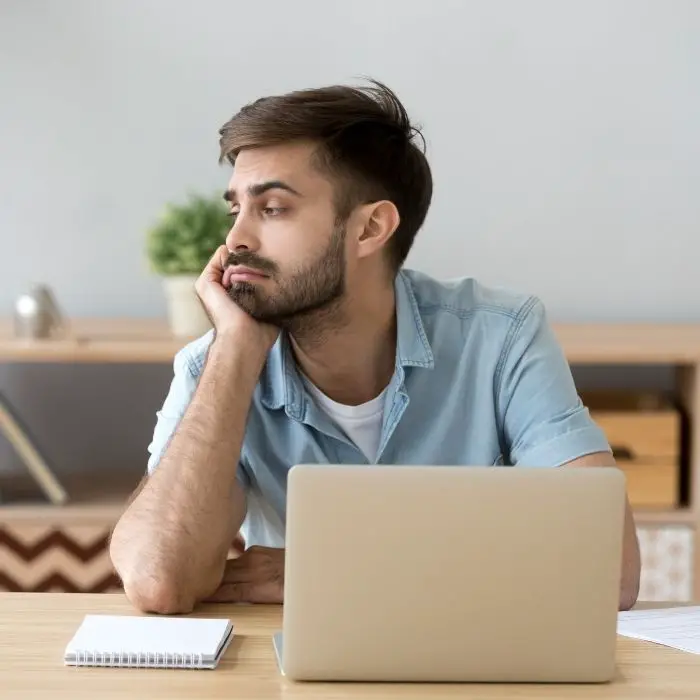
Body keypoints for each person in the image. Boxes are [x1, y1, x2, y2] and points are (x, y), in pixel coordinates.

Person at [109, 80, 641, 614]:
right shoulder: (216, 364)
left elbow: (608, 571)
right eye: (235, 212)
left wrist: (337, 568)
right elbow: (159, 579)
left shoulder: (500, 338)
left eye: (272, 208)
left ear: (370, 228)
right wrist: (235, 353)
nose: (236, 241)